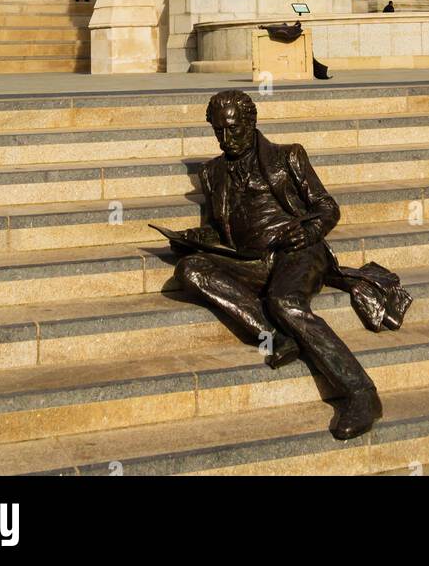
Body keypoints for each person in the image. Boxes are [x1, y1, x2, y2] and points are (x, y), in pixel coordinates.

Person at [170, 91, 412, 441]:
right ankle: (277, 335)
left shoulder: (288, 156)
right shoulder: (212, 173)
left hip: (298, 251)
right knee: (190, 269)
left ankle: (361, 392)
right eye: (218, 131)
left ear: (251, 124)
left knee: (284, 301)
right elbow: (226, 227)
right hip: (251, 259)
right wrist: (197, 237)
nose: (226, 139)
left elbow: (327, 207)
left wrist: (308, 231)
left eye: (233, 129)